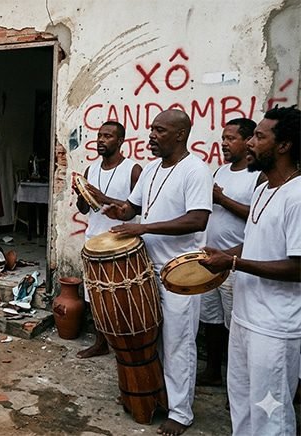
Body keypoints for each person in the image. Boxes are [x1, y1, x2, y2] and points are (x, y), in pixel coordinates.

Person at [103, 109, 212, 436]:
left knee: (179, 343)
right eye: (152, 129)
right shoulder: (150, 169)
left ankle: (181, 412)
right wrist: (114, 207)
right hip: (147, 269)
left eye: (160, 130)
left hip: (182, 274)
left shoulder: (195, 170)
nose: (151, 135)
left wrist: (144, 227)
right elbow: (132, 208)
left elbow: (198, 220)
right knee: (152, 341)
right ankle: (159, 396)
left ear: (180, 135)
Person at [201, 105, 301, 435]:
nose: (250, 144)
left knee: (270, 414)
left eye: (259, 136)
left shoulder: (297, 196)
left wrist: (233, 263)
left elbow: (297, 267)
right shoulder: (263, 188)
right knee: (242, 403)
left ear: (283, 145)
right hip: (246, 317)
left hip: (274, 326)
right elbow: (255, 242)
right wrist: (223, 254)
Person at [197, 118, 262, 387]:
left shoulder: (258, 175)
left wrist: (221, 198)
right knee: (210, 320)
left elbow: (259, 217)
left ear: (248, 141)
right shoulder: (220, 172)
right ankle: (213, 371)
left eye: (230, 138)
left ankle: (240, 385)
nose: (224, 143)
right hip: (212, 259)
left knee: (235, 325)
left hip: (237, 262)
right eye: (223, 138)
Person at [74, 121, 142, 359]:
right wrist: (81, 193)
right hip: (93, 241)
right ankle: (100, 342)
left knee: (120, 295)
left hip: (121, 243)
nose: (101, 140)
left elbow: (136, 207)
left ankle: (126, 344)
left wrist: (102, 197)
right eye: (100, 136)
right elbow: (83, 210)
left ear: (120, 141)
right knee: (95, 295)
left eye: (108, 136)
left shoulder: (133, 170)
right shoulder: (90, 170)